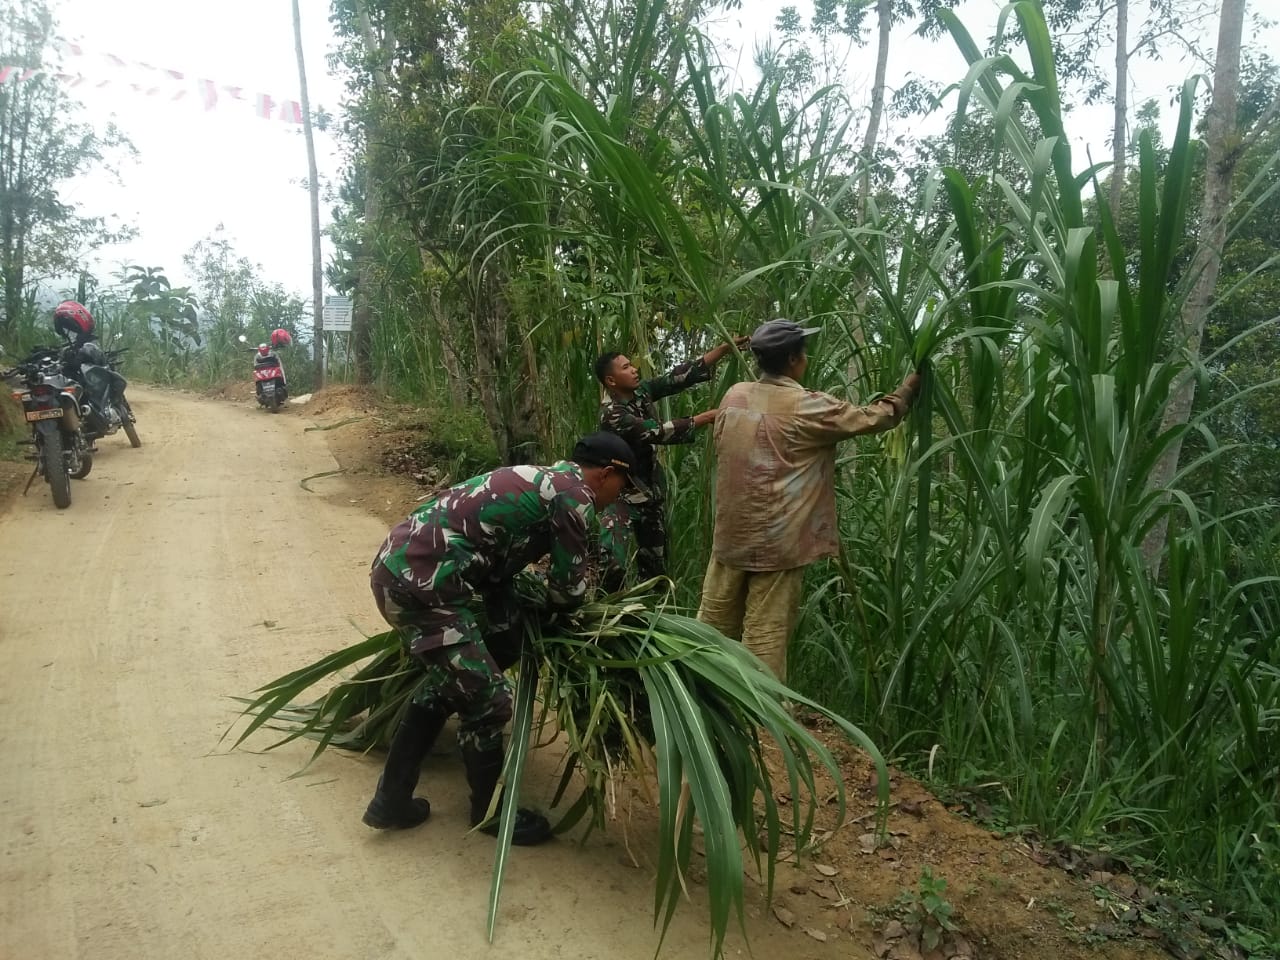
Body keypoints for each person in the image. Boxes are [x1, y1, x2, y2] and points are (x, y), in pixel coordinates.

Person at [362, 432, 636, 845]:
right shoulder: (575, 496)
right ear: (607, 473)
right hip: (425, 584)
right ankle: (492, 813)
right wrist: (573, 614)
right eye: (622, 486)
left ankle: (391, 800)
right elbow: (567, 592)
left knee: (452, 686)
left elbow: (496, 562)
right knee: (489, 702)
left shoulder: (544, 479)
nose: (619, 496)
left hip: (401, 570)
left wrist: (512, 622)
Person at [696, 319, 921, 681]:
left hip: (729, 538)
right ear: (793, 361)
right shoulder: (806, 406)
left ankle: (695, 710)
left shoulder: (734, 395)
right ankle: (761, 724)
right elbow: (874, 418)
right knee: (763, 644)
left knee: (711, 633)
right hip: (777, 545)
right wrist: (908, 388)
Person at [594, 333, 749, 585]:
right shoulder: (612, 413)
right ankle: (611, 611)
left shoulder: (640, 393)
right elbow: (655, 431)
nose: (634, 370)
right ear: (611, 380)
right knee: (612, 560)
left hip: (649, 492)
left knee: (654, 563)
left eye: (631, 365)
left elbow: (676, 378)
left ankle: (651, 613)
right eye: (626, 368)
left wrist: (722, 350)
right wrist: (704, 418)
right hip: (620, 495)